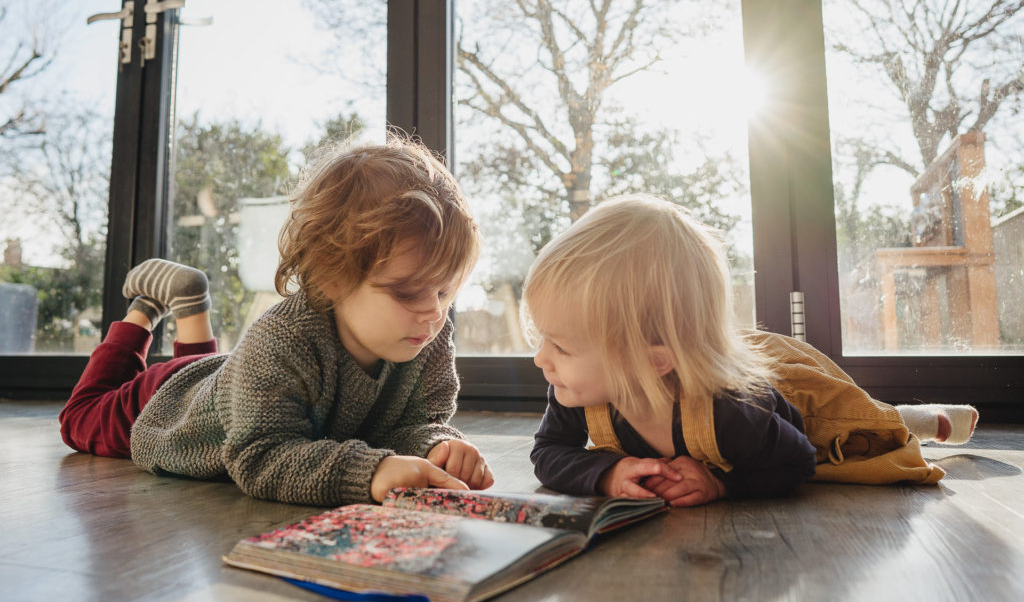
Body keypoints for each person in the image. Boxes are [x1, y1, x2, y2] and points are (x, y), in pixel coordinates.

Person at [59, 137, 494, 507]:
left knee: (220, 378)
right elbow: (261, 455)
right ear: (330, 277)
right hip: (166, 408)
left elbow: (417, 421)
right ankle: (143, 313)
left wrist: (436, 447)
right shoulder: (280, 340)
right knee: (80, 418)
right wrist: (372, 471)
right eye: (406, 291)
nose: (435, 311)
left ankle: (191, 306)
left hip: (235, 383)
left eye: (444, 291)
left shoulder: (426, 335)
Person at [525, 194, 977, 507]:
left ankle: (922, 418)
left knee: (858, 431)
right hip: (737, 386)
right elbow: (548, 451)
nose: (540, 359)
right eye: (543, 338)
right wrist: (605, 474)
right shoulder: (575, 390)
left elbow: (796, 461)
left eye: (560, 346)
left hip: (792, 397)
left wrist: (722, 484)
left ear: (653, 360)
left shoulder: (732, 411)